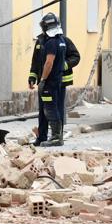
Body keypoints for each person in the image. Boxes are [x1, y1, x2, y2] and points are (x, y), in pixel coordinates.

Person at [28, 16, 80, 146]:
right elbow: (36, 61)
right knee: (44, 110)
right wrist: (33, 77)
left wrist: (63, 65)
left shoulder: (62, 40)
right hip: (44, 80)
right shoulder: (40, 41)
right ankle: (42, 137)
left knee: (55, 108)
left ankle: (57, 136)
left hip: (58, 81)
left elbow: (75, 57)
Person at [33, 13, 68, 147]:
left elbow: (49, 63)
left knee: (50, 109)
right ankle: (56, 137)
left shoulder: (51, 42)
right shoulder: (61, 41)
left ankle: (56, 138)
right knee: (54, 108)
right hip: (57, 80)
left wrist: (42, 80)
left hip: (50, 82)